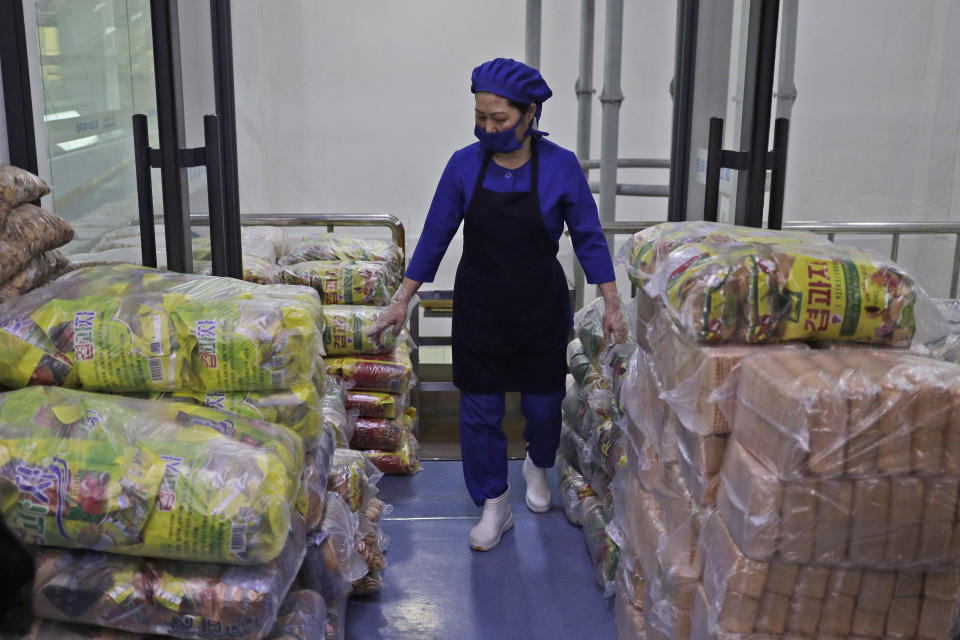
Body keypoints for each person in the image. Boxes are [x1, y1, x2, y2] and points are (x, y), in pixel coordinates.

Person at [370, 58, 626, 551]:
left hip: (538, 307)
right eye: (480, 117)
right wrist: (403, 297)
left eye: (500, 120)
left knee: (544, 407)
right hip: (480, 308)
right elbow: (436, 237)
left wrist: (612, 301)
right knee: (480, 411)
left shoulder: (560, 166)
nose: (487, 128)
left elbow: (590, 238)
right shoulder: (464, 165)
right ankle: (494, 504)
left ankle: (537, 461)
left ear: (530, 114)